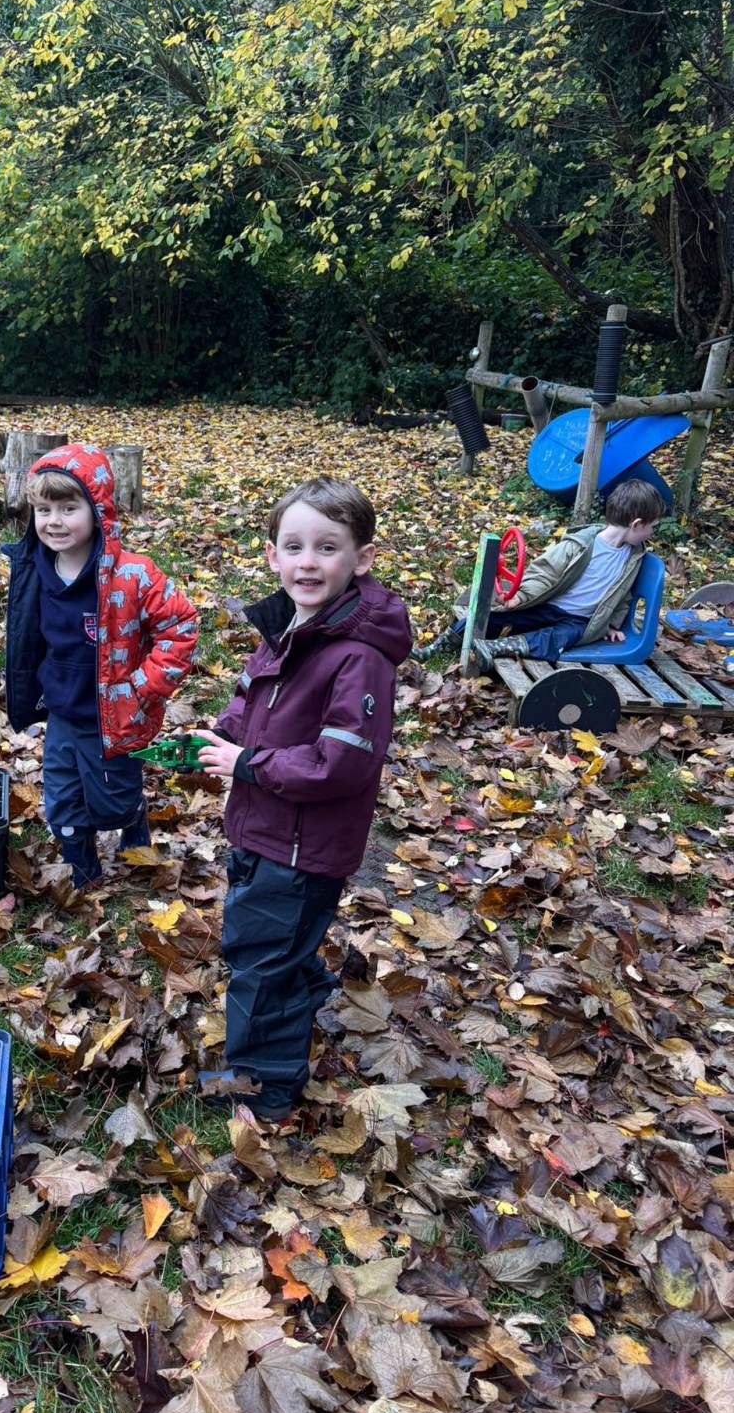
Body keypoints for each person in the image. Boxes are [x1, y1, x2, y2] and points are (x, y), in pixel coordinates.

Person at [194, 476, 412, 1122]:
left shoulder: (358, 656)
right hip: (264, 825)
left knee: (263, 963)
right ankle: (301, 993)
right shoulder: (290, 624)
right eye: (294, 547)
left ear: (361, 559)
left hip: (301, 843)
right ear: (272, 555)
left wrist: (248, 763)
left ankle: (263, 1089)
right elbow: (251, 696)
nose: (308, 562)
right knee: (261, 944)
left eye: (327, 548)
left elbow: (341, 762)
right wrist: (224, 734)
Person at [3, 443, 198, 888]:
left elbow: (181, 625)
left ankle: (133, 821)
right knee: (62, 801)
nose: (54, 521)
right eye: (44, 510)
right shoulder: (33, 568)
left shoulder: (132, 575)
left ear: (98, 512)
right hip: (60, 711)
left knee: (113, 801)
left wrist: (143, 687)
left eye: (68, 508)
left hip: (114, 716)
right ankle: (83, 870)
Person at [414, 477, 665, 672]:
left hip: (580, 622)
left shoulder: (634, 556)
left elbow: (623, 594)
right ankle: (439, 646)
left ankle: (496, 647)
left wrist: (610, 624)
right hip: (549, 606)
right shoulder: (579, 546)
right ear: (636, 524)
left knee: (557, 638)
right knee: (493, 616)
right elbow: (544, 574)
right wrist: (521, 597)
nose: (652, 533)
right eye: (652, 527)